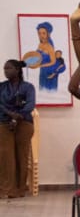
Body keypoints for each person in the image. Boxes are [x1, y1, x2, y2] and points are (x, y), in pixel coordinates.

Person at [0, 60, 36, 198]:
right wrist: (10, 115)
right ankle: (7, 189)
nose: (5, 71)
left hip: (23, 122)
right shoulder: (1, 87)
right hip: (4, 122)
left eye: (8, 68)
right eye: (4, 69)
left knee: (22, 155)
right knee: (5, 155)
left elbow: (30, 105)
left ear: (17, 70)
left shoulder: (28, 87)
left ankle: (20, 188)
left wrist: (17, 118)